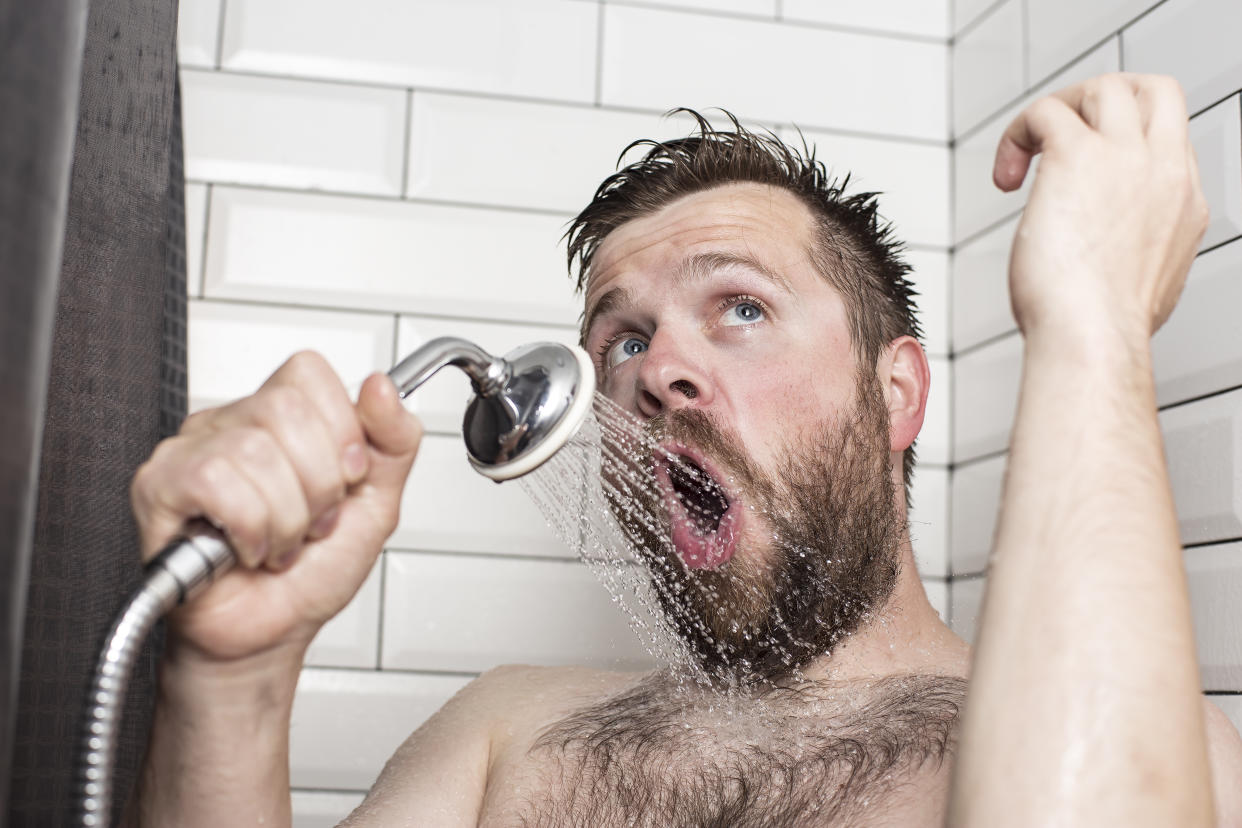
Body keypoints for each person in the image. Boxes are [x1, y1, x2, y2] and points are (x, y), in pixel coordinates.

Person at [123, 74, 1242, 826]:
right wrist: (233, 679)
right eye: (622, 340)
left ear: (895, 392)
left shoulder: (1164, 740)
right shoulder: (506, 733)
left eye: (742, 308)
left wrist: (1090, 318)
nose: (658, 372)